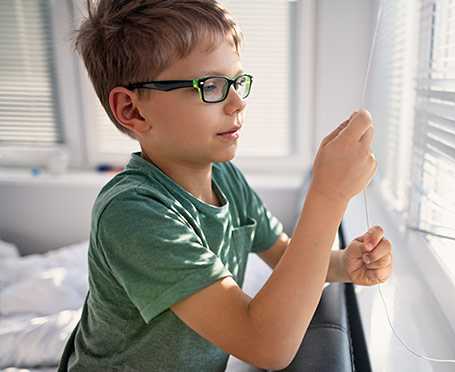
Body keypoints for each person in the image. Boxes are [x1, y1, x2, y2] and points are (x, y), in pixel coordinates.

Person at [59, 1, 393, 371]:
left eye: (237, 82)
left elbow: (286, 257)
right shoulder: (132, 212)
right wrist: (328, 195)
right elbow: (266, 346)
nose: (238, 103)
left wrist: (344, 265)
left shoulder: (224, 176)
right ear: (133, 110)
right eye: (211, 85)